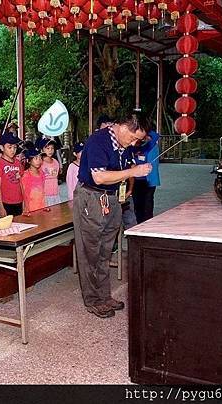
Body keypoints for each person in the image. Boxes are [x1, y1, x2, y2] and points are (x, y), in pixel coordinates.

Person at [73, 114, 151, 318]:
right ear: (124, 127)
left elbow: (122, 171)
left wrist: (130, 174)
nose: (134, 143)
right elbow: (99, 177)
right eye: (134, 138)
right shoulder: (99, 141)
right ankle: (92, 300)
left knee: (105, 250)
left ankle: (104, 295)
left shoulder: (124, 145)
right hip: (92, 198)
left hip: (113, 199)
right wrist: (133, 171)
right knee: (90, 251)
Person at [132, 130, 161, 223]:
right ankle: (139, 222)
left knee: (147, 204)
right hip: (137, 179)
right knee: (138, 204)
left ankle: (146, 223)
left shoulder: (150, 145)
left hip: (148, 180)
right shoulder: (137, 144)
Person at [0, 132, 24, 217]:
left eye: (15, 147)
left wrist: (24, 202)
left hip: (19, 201)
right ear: (2, 147)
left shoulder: (18, 162)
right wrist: (1, 207)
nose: (13, 150)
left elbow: (22, 183)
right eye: (9, 147)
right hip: (6, 203)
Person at [21, 148, 46, 214]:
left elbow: (43, 191)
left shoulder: (42, 173)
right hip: (31, 208)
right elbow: (24, 194)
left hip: (42, 206)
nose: (39, 161)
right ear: (29, 161)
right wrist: (25, 208)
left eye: (40, 158)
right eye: (36, 158)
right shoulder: (25, 175)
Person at [37, 138, 61, 207]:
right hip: (45, 195)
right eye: (47, 148)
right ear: (42, 150)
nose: (50, 150)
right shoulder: (40, 163)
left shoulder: (56, 162)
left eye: (52, 148)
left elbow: (56, 177)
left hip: (56, 194)